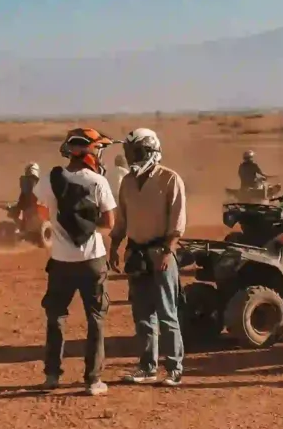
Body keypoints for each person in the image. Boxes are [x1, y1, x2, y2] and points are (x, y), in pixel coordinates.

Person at [41, 127, 118, 395]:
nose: (99, 154)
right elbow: (109, 223)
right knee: (96, 318)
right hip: (92, 260)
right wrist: (86, 226)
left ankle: (52, 375)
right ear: (87, 151)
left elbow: (39, 214)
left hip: (61, 260)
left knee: (56, 317)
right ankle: (93, 379)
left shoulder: (51, 180)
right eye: (97, 149)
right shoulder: (98, 182)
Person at [111, 127, 188, 386]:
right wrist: (114, 246)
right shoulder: (127, 182)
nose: (132, 157)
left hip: (161, 253)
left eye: (137, 151)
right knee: (142, 314)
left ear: (151, 150)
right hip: (136, 253)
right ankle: (147, 368)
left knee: (167, 313)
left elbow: (178, 221)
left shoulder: (170, 179)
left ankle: (175, 369)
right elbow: (121, 219)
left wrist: (168, 251)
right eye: (129, 151)